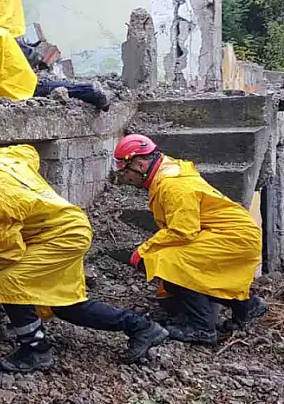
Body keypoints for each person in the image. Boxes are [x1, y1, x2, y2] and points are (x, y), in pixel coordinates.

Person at [0, 141, 169, 372]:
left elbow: (7, 252)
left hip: (61, 237)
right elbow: (30, 152)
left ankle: (35, 350)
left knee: (8, 282)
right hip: (68, 226)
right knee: (65, 305)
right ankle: (141, 327)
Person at [111, 133, 267, 345]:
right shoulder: (167, 173)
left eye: (126, 172)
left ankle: (202, 328)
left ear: (139, 164)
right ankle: (246, 306)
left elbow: (183, 230)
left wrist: (144, 250)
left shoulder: (173, 186)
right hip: (233, 233)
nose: (125, 179)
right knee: (174, 262)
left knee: (168, 262)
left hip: (234, 237)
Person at [0, 26, 111, 109]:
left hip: (5, 58)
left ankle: (88, 90)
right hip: (1, 53)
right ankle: (86, 89)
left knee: (33, 90)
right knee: (33, 87)